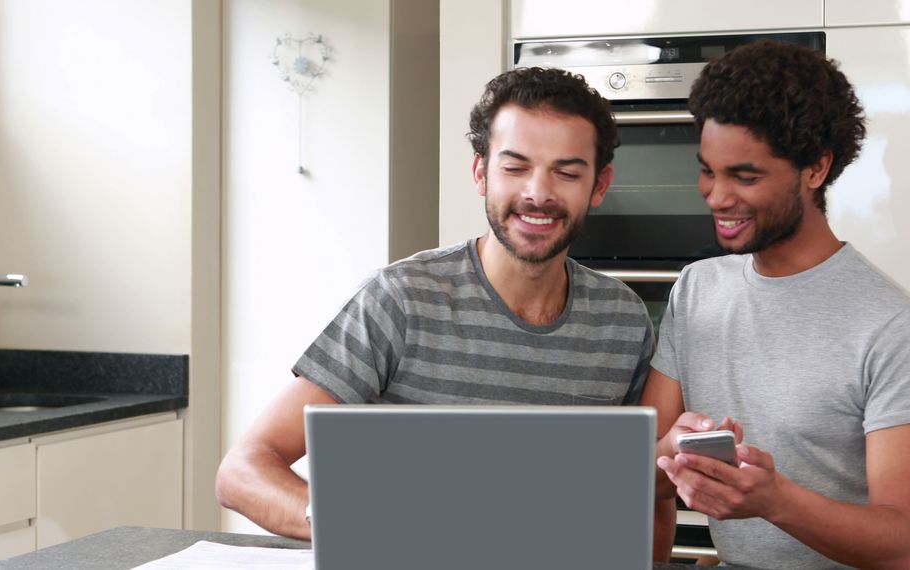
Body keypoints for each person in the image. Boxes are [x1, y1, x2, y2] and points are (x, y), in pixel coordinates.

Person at [216, 66, 656, 541]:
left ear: (599, 185)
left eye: (566, 173)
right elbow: (242, 471)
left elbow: (647, 497)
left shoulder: (623, 322)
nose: (538, 193)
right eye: (515, 167)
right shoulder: (402, 298)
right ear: (481, 172)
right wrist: (358, 523)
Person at [641, 40, 910, 569]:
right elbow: (642, 469)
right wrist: (672, 447)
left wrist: (774, 500)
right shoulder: (696, 290)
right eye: (708, 171)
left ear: (815, 169)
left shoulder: (894, 326)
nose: (716, 195)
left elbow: (899, 541)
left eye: (745, 176)